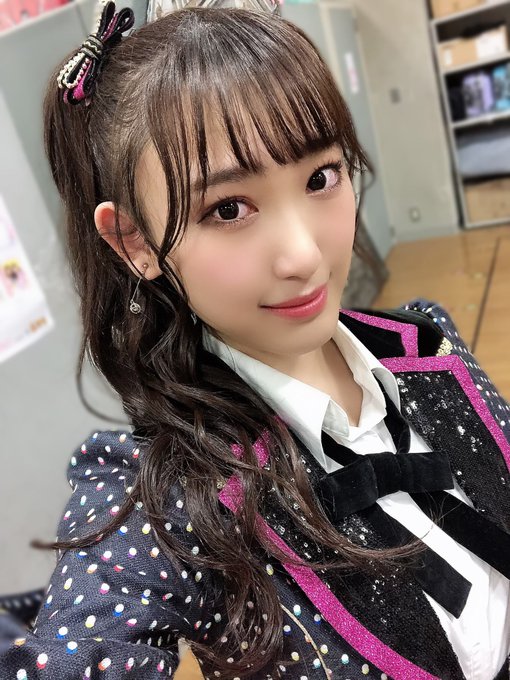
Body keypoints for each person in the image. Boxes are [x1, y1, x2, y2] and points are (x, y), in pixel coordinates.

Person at [1, 1, 510, 678]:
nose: (304, 255)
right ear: (135, 242)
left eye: (321, 177)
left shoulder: (428, 340)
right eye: (228, 208)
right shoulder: (165, 499)